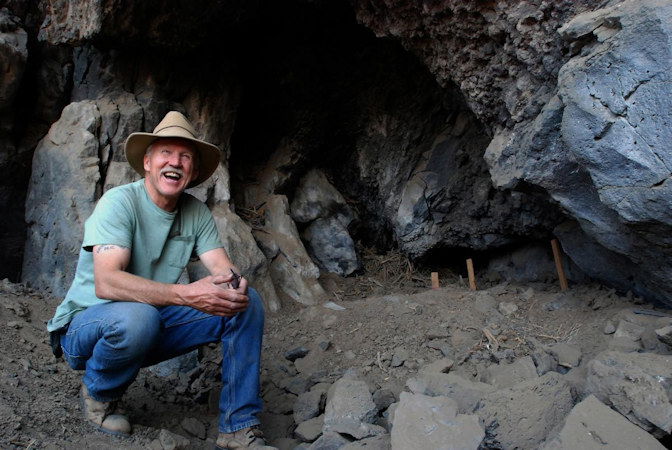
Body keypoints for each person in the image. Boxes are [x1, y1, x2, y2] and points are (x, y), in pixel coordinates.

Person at [47, 111, 275, 449]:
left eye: (185, 157)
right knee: (139, 316)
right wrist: (186, 295)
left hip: (148, 322)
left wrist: (234, 284)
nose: (176, 162)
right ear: (148, 163)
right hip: (86, 327)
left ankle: (237, 427)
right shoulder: (119, 202)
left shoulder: (196, 213)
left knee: (246, 304)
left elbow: (223, 269)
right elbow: (106, 283)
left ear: (194, 172)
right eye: (166, 153)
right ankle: (99, 394)